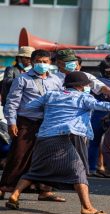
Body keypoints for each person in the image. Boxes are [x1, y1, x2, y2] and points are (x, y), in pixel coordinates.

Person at [4, 71, 110, 214]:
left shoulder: (51, 95)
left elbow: (28, 107)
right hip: (63, 137)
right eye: (86, 85)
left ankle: (14, 196)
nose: (88, 87)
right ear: (80, 86)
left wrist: (49, 110)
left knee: (36, 169)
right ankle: (87, 207)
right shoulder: (83, 97)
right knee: (79, 171)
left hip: (44, 136)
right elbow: (106, 106)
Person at [0, 49, 64, 201]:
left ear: (50, 63)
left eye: (45, 62)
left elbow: (60, 100)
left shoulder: (55, 80)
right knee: (19, 155)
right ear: (32, 62)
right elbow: (12, 102)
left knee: (46, 157)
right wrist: (12, 122)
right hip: (26, 122)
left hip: (48, 123)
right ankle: (4, 187)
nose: (42, 64)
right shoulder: (22, 79)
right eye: (39, 61)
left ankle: (44, 191)